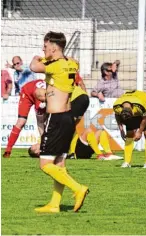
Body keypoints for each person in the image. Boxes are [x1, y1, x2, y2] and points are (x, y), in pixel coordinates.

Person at [29, 31, 88, 213]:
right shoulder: (71, 63)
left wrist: (38, 57)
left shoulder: (55, 65)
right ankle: (55, 204)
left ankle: (78, 188)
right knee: (60, 163)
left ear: (54, 47)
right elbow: (67, 63)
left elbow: (33, 66)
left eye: (45, 46)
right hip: (68, 117)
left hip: (55, 119)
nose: (42, 49)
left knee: (45, 164)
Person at [3, 79, 47, 158]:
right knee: (21, 121)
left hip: (41, 92)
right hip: (27, 92)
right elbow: (40, 123)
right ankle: (8, 150)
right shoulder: (41, 101)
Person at [113, 90, 146, 168]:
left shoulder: (140, 106)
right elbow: (117, 116)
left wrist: (139, 132)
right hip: (133, 103)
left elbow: (145, 118)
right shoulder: (117, 107)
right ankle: (127, 162)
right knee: (129, 134)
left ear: (133, 111)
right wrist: (121, 129)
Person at [28, 128, 123, 160]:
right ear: (37, 152)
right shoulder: (47, 150)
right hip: (76, 152)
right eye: (35, 147)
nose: (36, 144)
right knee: (88, 131)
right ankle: (99, 155)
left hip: (80, 149)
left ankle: (109, 153)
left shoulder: (45, 142)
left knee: (100, 132)